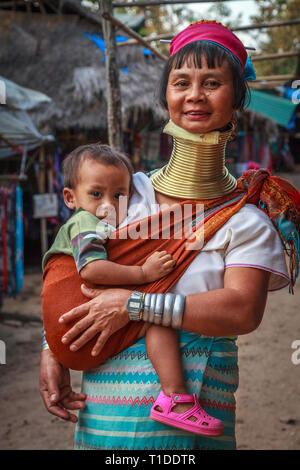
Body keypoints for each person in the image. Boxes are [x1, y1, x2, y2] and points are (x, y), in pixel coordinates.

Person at [40, 20, 299, 450]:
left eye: (212, 82)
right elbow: (71, 261)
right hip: (106, 419)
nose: (195, 95)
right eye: (182, 82)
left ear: (237, 100)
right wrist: (51, 348)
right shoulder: (125, 192)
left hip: (194, 421)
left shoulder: (245, 218)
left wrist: (135, 305)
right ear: (166, 96)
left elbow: (241, 310)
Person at [42, 142, 224, 436]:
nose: (108, 204)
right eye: (96, 193)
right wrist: (143, 272)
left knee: (152, 311)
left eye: (119, 195)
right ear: (69, 197)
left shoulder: (103, 222)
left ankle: (173, 397)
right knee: (156, 314)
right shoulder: (86, 223)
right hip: (75, 317)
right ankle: (175, 397)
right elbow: (91, 269)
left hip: (78, 336)